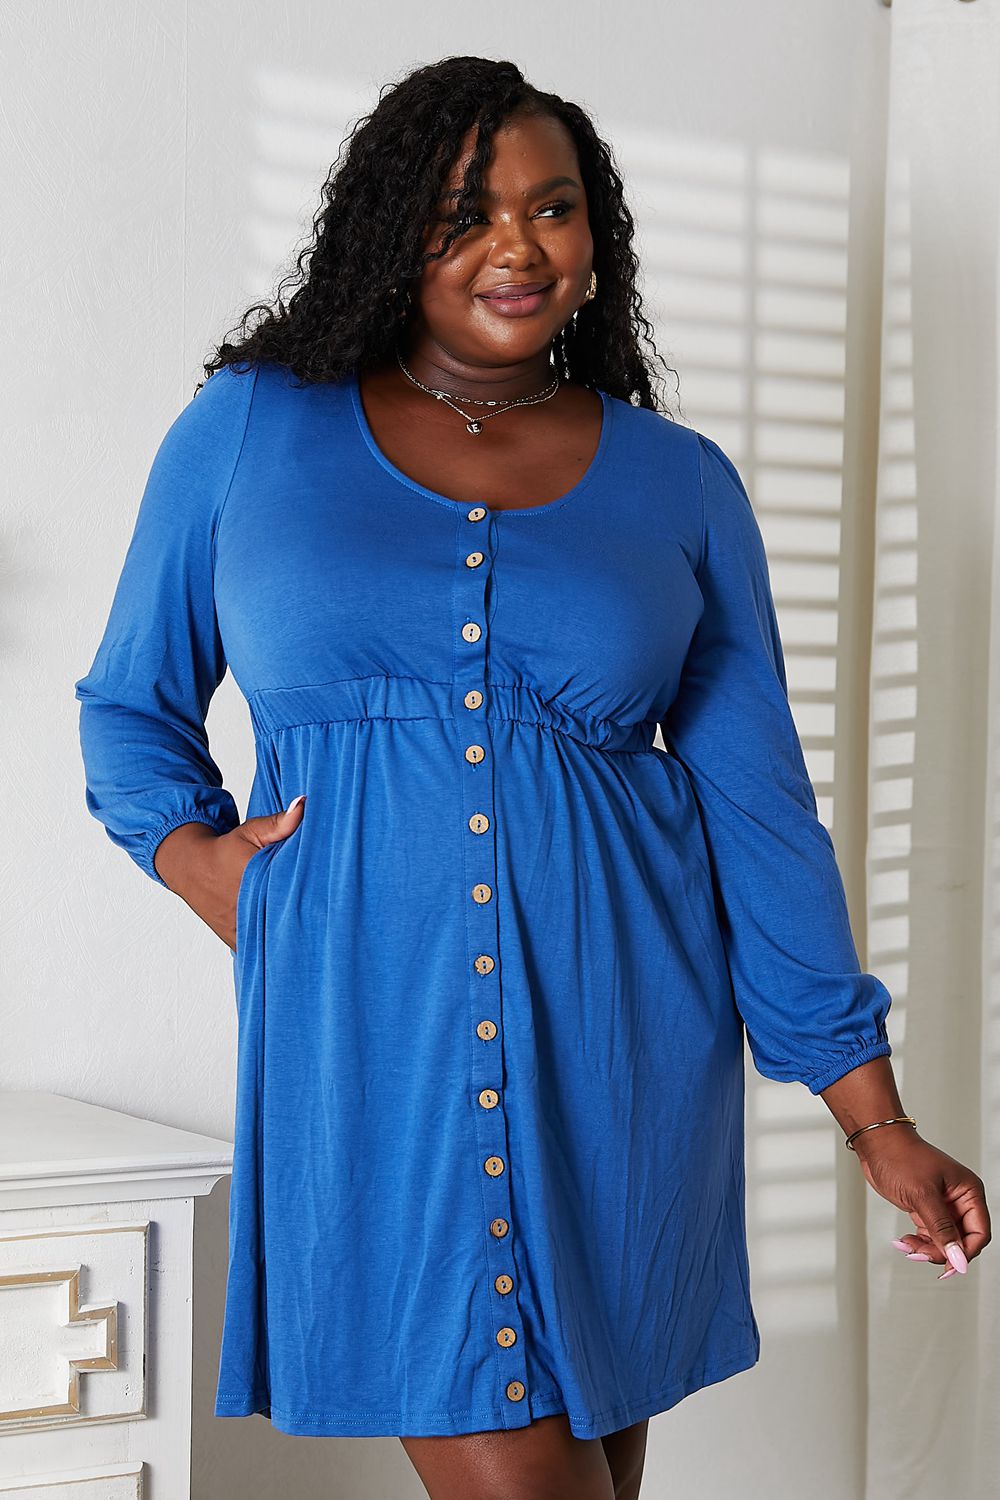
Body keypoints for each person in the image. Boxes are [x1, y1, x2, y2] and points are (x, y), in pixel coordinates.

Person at [73, 54, 990, 1500]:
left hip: (628, 1050)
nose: (518, 244)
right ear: (392, 230)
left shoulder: (678, 483)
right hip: (368, 1043)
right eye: (467, 211)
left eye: (553, 209)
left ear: (595, 238)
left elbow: (758, 811)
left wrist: (874, 1118)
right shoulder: (251, 429)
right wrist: (203, 865)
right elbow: (129, 705)